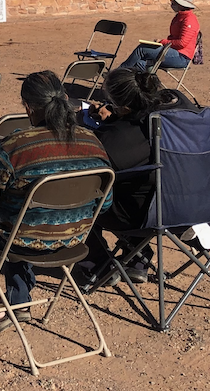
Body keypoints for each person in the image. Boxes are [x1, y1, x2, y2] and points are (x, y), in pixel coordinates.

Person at [0, 71, 110, 333]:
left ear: (28, 107)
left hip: (19, 235)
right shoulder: (93, 142)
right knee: (20, 220)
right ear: (66, 99)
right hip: (75, 238)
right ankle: (20, 302)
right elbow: (104, 204)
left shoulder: (14, 146)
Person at [78, 69, 196, 285]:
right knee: (142, 184)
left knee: (83, 194)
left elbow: (98, 167)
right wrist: (117, 117)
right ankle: (137, 260)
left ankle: (97, 262)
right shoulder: (180, 106)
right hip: (200, 203)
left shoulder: (120, 138)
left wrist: (99, 127)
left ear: (122, 105)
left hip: (148, 214)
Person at [119, 0, 200, 72]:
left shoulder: (189, 19)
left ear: (181, 4)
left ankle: (116, 75)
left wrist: (162, 42)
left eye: (173, 2)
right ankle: (141, 83)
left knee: (141, 49)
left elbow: (182, 43)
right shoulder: (180, 17)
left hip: (182, 57)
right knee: (140, 62)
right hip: (174, 52)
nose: (171, 3)